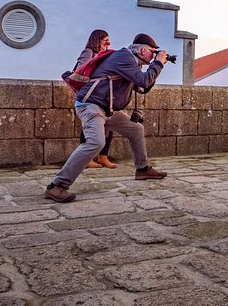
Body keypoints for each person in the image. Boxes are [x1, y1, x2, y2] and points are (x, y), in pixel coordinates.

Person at [45, 33, 169, 203]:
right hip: (91, 105)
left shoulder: (132, 63)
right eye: (152, 52)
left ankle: (142, 169)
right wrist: (158, 63)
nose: (154, 56)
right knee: (96, 142)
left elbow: (142, 87)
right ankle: (56, 185)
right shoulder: (123, 56)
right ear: (142, 50)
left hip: (109, 110)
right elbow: (144, 81)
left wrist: (155, 66)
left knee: (136, 129)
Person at [75, 29, 116, 169]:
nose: (108, 43)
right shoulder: (88, 52)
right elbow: (81, 69)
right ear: (97, 40)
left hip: (103, 96)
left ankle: (103, 156)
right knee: (90, 126)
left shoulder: (104, 55)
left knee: (109, 125)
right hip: (89, 97)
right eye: (105, 40)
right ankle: (87, 159)